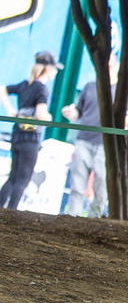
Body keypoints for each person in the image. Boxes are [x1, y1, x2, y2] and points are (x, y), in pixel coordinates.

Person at [0, 51, 62, 210]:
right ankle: (11, 213)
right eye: (54, 68)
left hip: (17, 136)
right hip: (31, 139)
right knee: (23, 179)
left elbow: (3, 89)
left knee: (13, 177)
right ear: (47, 69)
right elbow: (41, 114)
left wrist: (11, 111)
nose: (55, 72)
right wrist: (49, 118)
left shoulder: (24, 85)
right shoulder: (42, 89)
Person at [62, 57, 117, 218]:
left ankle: (94, 219)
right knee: (77, 184)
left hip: (104, 144)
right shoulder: (89, 87)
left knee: (101, 186)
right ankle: (73, 217)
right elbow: (78, 112)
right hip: (83, 140)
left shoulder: (121, 91)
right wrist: (70, 113)